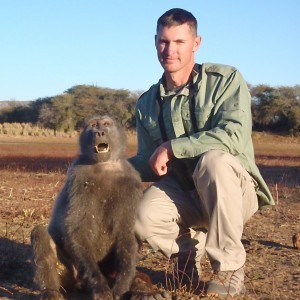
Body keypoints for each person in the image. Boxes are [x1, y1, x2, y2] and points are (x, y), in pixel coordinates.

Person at [129, 8, 274, 298]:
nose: (170, 50)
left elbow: (232, 136)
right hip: (185, 192)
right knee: (140, 216)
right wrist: (103, 171)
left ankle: (230, 269)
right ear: (155, 41)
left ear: (196, 43)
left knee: (214, 161)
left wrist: (171, 147)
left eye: (179, 42)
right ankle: (185, 259)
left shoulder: (226, 80)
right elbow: (149, 163)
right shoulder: (147, 102)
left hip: (234, 191)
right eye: (163, 41)